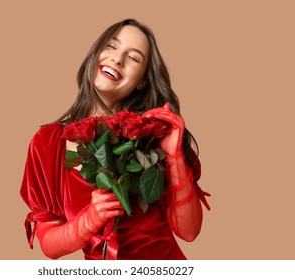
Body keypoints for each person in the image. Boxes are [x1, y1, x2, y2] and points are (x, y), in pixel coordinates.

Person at [20, 18, 210, 260]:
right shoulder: (46, 145)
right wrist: (89, 219)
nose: (117, 59)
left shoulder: (152, 134)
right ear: (95, 54)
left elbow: (189, 231)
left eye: (133, 58)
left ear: (142, 81)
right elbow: (49, 245)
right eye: (111, 46)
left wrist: (173, 158)